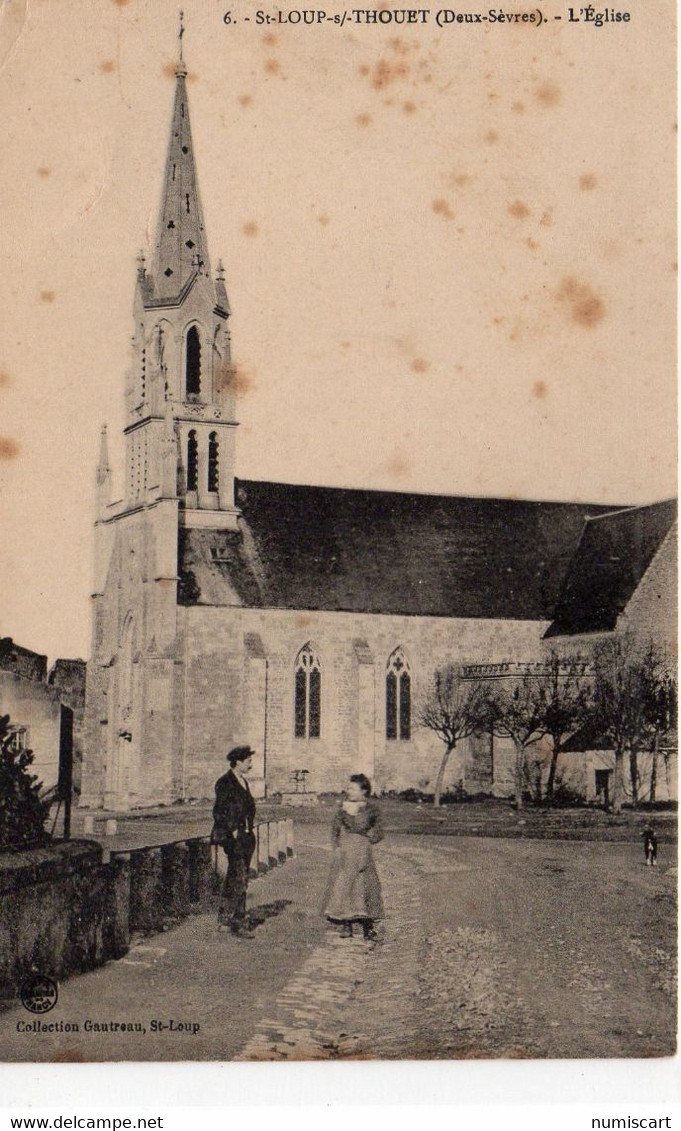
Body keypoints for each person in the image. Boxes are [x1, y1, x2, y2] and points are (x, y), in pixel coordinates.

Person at [323, 773, 384, 941]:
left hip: (363, 850)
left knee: (365, 884)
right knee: (345, 884)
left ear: (363, 791)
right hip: (347, 850)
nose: (348, 791)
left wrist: (368, 840)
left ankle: (368, 927)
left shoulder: (371, 809)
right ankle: (346, 925)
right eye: (348, 788)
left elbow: (379, 830)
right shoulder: (343, 808)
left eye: (352, 788)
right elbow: (335, 829)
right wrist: (337, 846)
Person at [211, 746, 257, 936]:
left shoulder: (243, 782)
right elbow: (219, 812)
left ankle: (227, 919)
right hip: (233, 838)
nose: (251, 765)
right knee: (238, 877)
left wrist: (247, 830)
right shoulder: (224, 783)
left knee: (238, 876)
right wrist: (233, 830)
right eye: (248, 761)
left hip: (245, 838)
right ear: (238, 762)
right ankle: (235, 921)